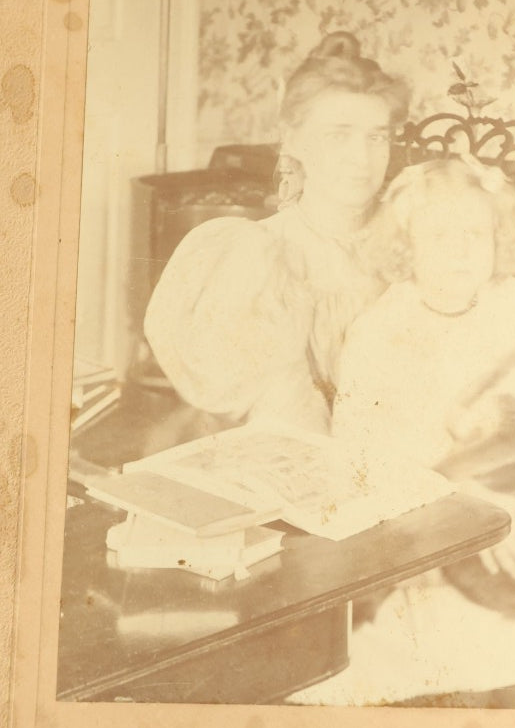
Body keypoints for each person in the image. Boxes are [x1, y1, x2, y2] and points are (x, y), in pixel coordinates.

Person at [290, 155, 515, 706]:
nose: (461, 249)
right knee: (472, 644)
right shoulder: (380, 332)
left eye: (475, 232)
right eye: (439, 233)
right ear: (405, 244)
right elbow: (364, 457)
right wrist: (469, 506)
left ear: (498, 238)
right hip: (445, 513)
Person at [143, 32, 409, 432]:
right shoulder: (254, 257)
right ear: (293, 140)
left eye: (376, 137)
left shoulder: (416, 243)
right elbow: (258, 414)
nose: (361, 158)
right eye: (338, 135)